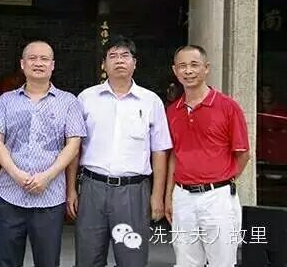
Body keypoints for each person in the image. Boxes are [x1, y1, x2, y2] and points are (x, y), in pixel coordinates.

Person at [67, 35, 172, 267]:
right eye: (112, 56)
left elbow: (160, 151)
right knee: (87, 258)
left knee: (132, 259)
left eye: (125, 55)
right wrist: (71, 189)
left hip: (133, 191)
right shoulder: (86, 98)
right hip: (92, 188)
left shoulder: (151, 101)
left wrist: (157, 195)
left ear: (135, 63)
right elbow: (74, 148)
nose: (119, 60)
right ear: (104, 64)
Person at [0, 40, 86, 267]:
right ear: (22, 64)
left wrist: (47, 176)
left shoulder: (68, 101)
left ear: (53, 65)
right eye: (32, 58)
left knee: (47, 261)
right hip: (9, 193)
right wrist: (16, 174)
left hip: (50, 196)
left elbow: (73, 144)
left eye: (44, 59)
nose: (38, 63)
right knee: (6, 261)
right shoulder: (7, 100)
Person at [165, 45, 250, 267]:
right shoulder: (172, 111)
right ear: (175, 70)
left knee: (222, 261)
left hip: (218, 197)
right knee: (186, 261)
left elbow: (243, 154)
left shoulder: (228, 107)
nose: (188, 71)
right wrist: (169, 195)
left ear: (206, 68)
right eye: (182, 66)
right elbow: (174, 155)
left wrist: (223, 180)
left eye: (194, 65)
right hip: (182, 196)